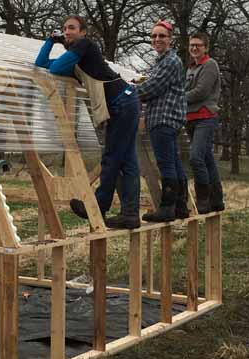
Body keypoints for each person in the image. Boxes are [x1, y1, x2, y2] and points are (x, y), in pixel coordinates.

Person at [34, 15, 142, 229]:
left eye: (72, 28)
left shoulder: (85, 45)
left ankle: (98, 206)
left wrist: (61, 43)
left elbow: (55, 69)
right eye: (64, 29)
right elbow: (42, 64)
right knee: (127, 160)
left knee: (112, 158)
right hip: (126, 102)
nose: (67, 31)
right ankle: (130, 214)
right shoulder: (78, 59)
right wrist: (50, 41)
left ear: (83, 32)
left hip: (123, 103)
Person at [136, 20, 188, 222]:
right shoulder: (162, 61)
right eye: (154, 36)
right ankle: (181, 206)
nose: (157, 39)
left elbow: (152, 88)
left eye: (162, 36)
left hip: (163, 118)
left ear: (170, 39)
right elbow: (151, 84)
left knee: (165, 164)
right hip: (167, 119)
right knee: (174, 163)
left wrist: (126, 93)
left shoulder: (170, 62)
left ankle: (167, 208)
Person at [185, 32, 225, 212]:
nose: (194, 48)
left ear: (205, 47)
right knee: (207, 159)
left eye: (198, 45)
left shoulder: (209, 65)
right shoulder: (191, 68)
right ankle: (217, 200)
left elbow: (201, 92)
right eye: (192, 45)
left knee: (196, 158)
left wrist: (177, 98)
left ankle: (203, 200)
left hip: (205, 117)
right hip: (191, 118)